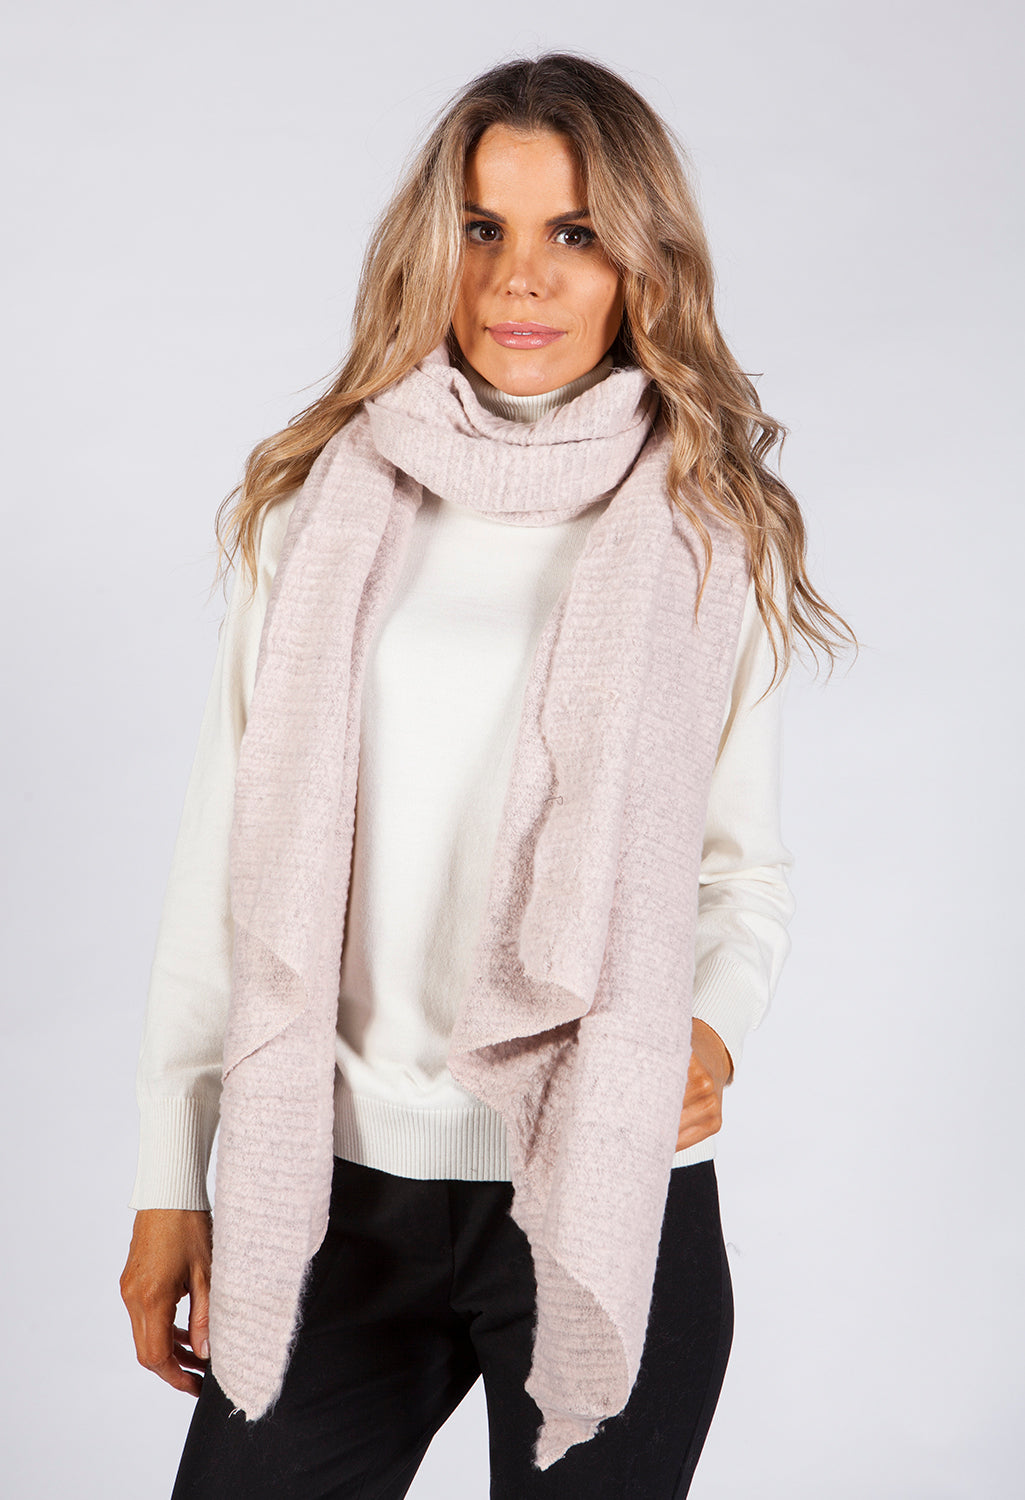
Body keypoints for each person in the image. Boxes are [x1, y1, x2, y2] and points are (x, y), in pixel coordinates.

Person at [119, 51, 855, 1500]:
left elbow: (738, 871)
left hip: (605, 1186)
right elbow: (222, 873)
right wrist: (167, 1175)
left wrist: (708, 1032)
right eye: (481, 228)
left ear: (641, 261)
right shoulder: (312, 510)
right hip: (327, 1190)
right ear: (429, 249)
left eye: (574, 232)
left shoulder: (714, 532)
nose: (521, 277)